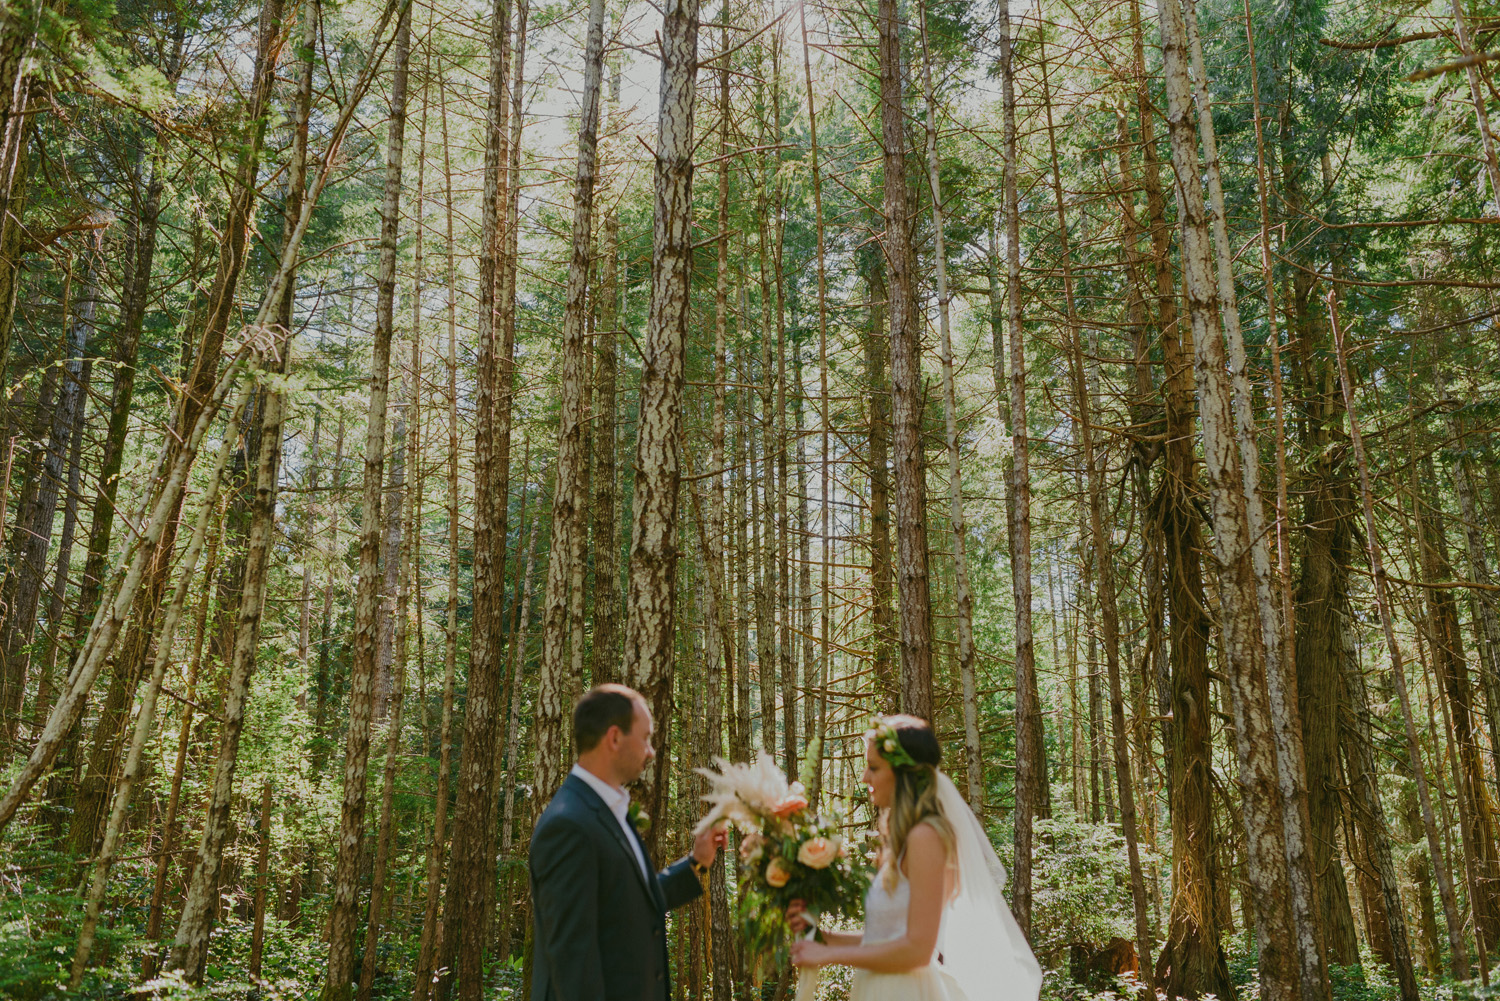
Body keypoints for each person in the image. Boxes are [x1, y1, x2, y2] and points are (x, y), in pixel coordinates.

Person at [787, 714, 1042, 1001]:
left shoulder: (925, 837)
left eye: (873, 767)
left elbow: (918, 950)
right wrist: (825, 937)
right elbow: (886, 937)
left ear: (903, 774)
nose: (865, 777)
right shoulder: (901, 839)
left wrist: (830, 955)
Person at [529, 683, 726, 1001]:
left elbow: (630, 903)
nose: (651, 751)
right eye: (646, 738)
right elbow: (573, 962)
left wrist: (696, 861)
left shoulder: (610, 809)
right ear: (615, 738)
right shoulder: (568, 826)